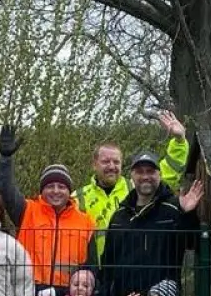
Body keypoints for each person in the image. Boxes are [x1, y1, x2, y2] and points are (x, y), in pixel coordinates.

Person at [0, 125, 97, 296]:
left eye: (61, 186)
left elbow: (91, 267)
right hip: (31, 294)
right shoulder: (27, 210)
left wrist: (86, 295)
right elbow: (5, 190)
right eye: (50, 186)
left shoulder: (85, 221)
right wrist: (5, 159)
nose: (55, 191)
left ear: (69, 190)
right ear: (42, 189)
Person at [95, 152, 205, 296]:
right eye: (140, 172)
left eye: (150, 171)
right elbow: (108, 263)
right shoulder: (119, 216)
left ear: (159, 174)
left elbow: (192, 244)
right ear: (132, 176)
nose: (145, 176)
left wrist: (188, 214)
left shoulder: (174, 209)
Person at [74, 110, 191, 258]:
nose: (111, 166)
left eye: (116, 162)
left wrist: (179, 141)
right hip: (89, 270)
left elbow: (169, 170)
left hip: (126, 267)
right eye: (105, 162)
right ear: (94, 164)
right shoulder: (78, 198)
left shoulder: (136, 187)